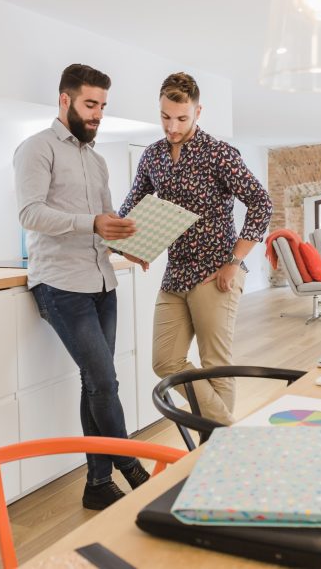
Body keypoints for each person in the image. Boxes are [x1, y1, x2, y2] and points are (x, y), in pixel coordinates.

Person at [13, 63, 149, 511]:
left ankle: (96, 483)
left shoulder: (97, 159)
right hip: (60, 284)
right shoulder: (36, 149)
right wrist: (90, 222)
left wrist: (132, 244)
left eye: (103, 106)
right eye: (91, 104)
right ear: (65, 100)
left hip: (101, 282)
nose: (97, 115)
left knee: (95, 383)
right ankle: (131, 467)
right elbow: (30, 213)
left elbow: (106, 223)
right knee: (104, 380)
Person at [119, 72, 272, 425]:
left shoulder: (219, 154)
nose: (172, 127)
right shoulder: (152, 157)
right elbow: (131, 207)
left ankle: (213, 441)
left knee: (215, 364)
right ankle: (227, 431)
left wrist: (235, 261)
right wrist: (130, 245)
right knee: (164, 361)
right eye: (165, 117)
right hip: (175, 274)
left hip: (217, 272)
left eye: (181, 118)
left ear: (198, 112)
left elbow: (261, 203)